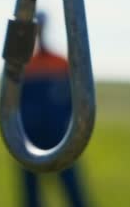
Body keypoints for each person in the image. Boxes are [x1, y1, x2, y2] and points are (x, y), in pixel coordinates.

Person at [19, 12, 89, 207]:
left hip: (59, 136)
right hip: (30, 138)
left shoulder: (61, 63)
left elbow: (73, 101)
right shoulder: (25, 65)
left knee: (72, 188)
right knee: (30, 194)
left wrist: (67, 124)